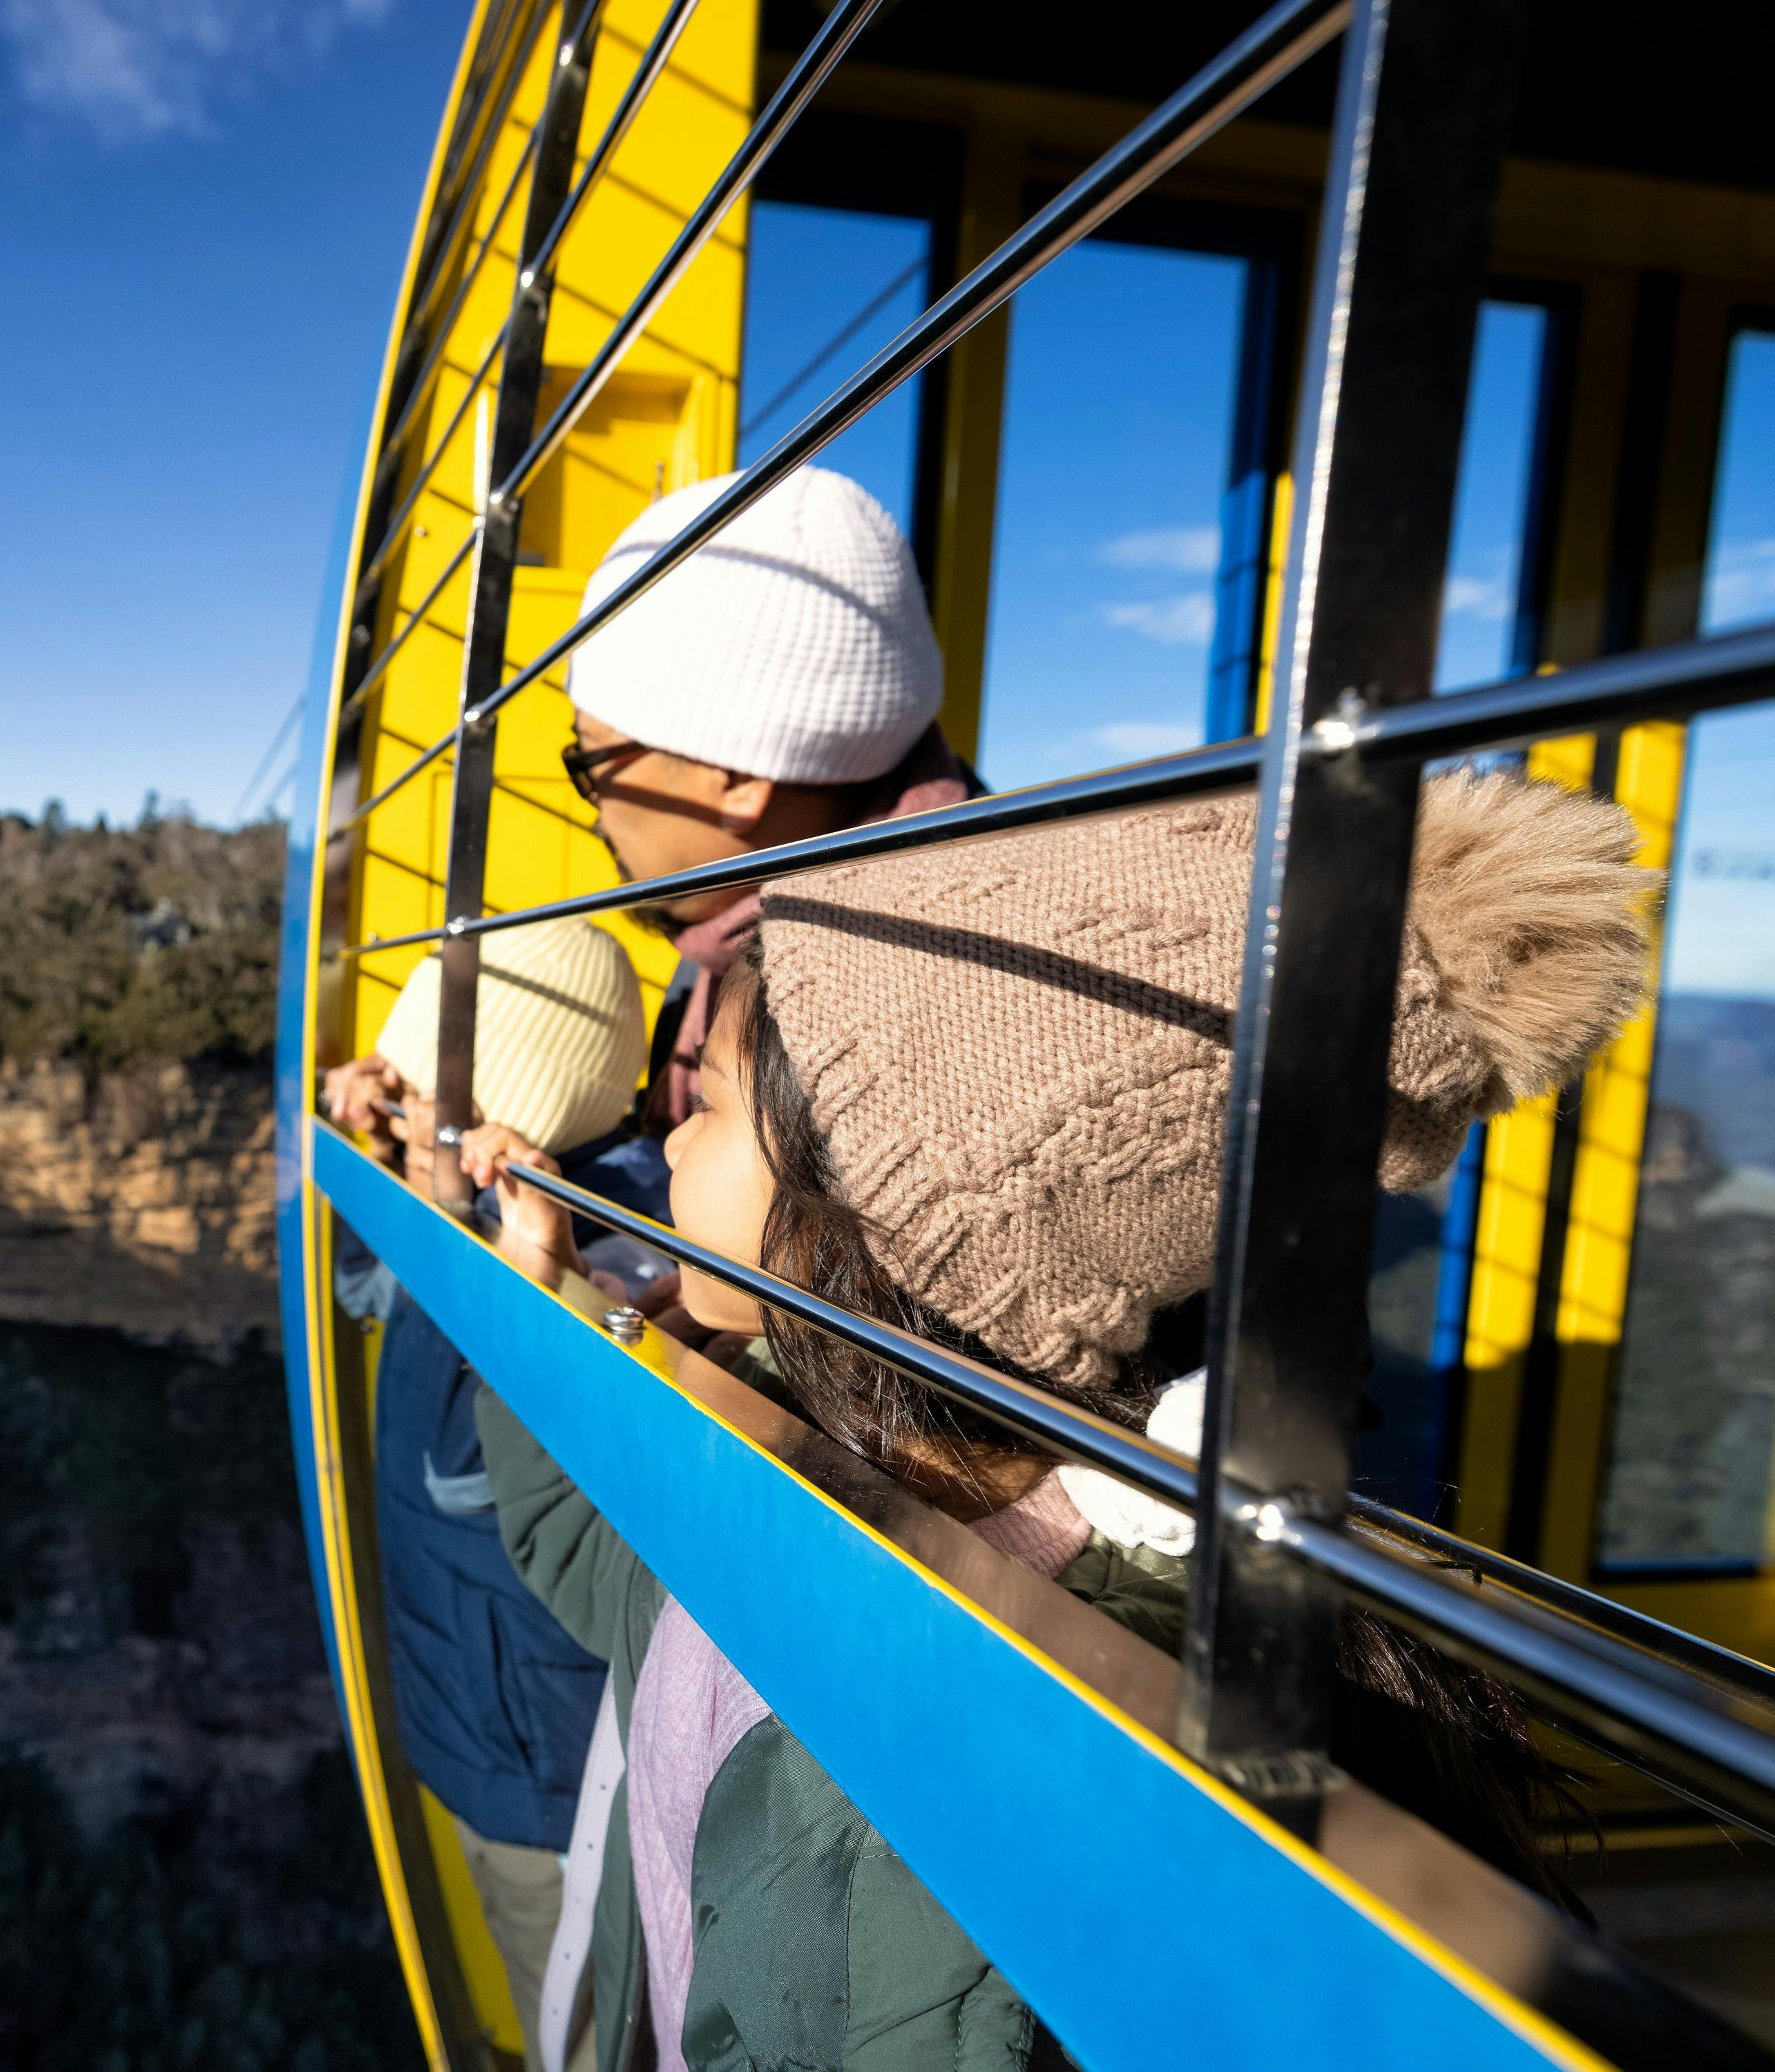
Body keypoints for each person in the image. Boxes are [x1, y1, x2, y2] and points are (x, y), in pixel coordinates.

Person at [457, 769, 1652, 2072]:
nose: (666, 1146)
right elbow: (612, 1570)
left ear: (882, 1233)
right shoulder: (797, 1441)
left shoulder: (954, 1787)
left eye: (709, 1109)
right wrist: (527, 1286)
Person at [322, 917, 660, 2072]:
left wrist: (522, 1267)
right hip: (476, 1721)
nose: (401, 1103)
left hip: (549, 1780)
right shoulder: (478, 1211)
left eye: (420, 1089)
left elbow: (479, 1477)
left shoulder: (609, 1251)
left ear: (509, 1104)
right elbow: (374, 1296)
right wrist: (387, 1167)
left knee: (573, 2031)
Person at [559, 467, 977, 1129]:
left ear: (738, 776)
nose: (593, 804)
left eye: (591, 755)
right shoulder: (746, 927)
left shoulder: (880, 1034)